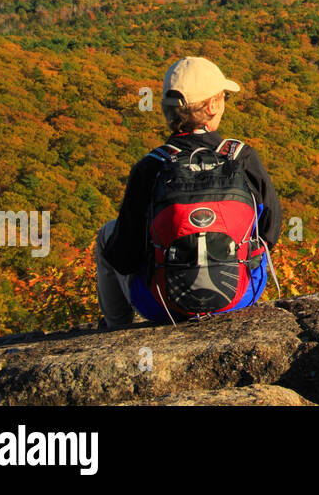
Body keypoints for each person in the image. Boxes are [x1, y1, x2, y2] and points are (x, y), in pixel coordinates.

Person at [95, 56, 282, 328]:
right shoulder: (241, 157)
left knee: (106, 234)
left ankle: (116, 328)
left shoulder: (150, 167)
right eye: (223, 98)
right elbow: (270, 230)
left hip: (161, 306)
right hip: (240, 297)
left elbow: (123, 256)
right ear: (212, 105)